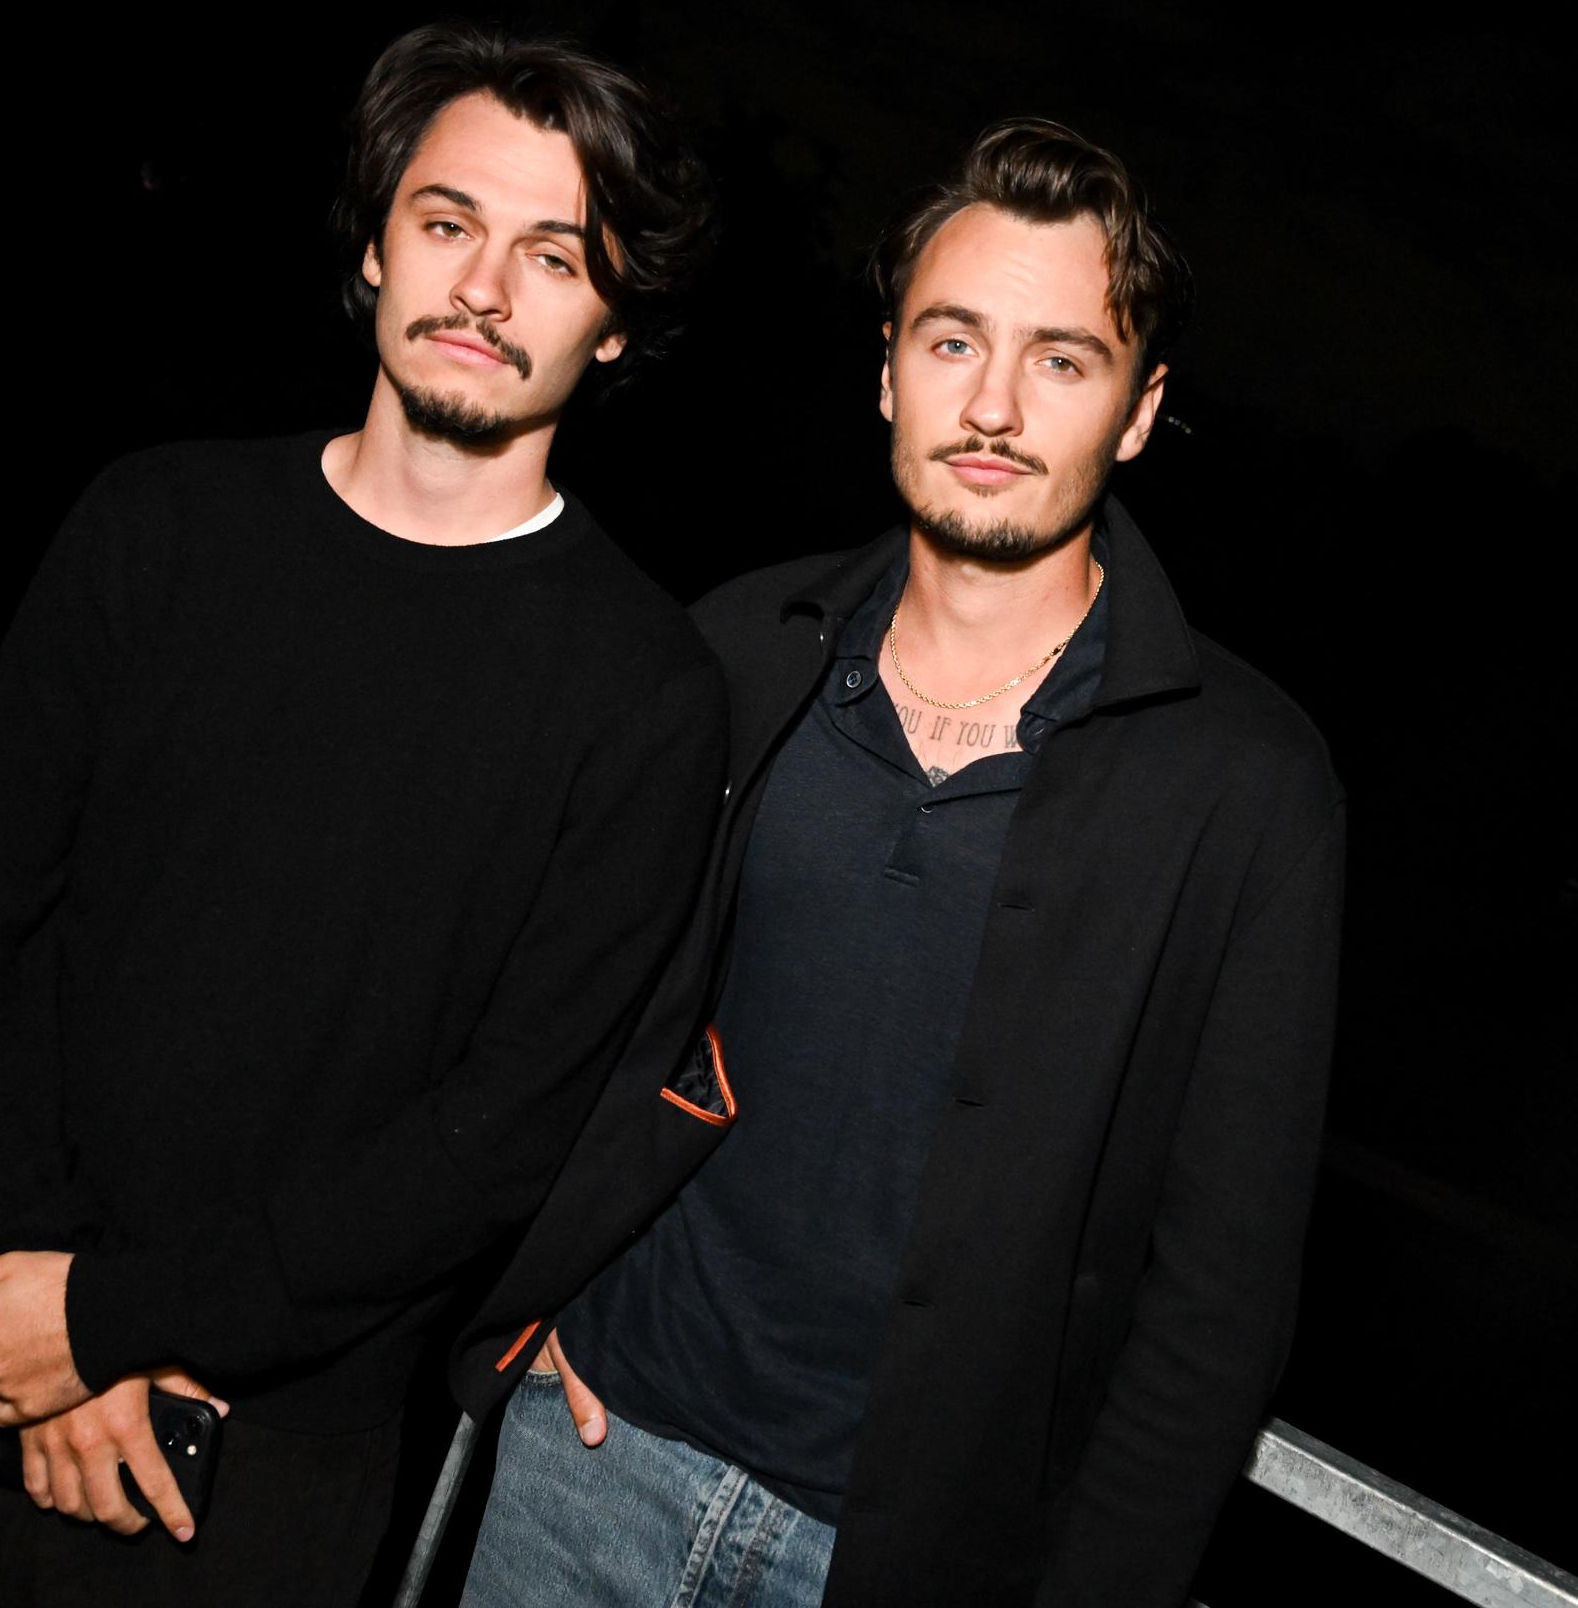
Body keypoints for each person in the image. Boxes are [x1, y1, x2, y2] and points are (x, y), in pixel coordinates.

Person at [0, 24, 724, 1607]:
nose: (486, 291)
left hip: (272, 1455)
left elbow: (496, 1130)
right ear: (375, 247)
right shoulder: (155, 526)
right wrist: (41, 1301)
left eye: (555, 255)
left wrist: (119, 1318)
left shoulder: (647, 693)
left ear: (619, 321)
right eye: (447, 224)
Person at [452, 120, 1346, 1607]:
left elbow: (1219, 1289)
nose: (993, 403)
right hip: (597, 1461)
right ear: (886, 369)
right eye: (952, 341)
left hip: (916, 1561)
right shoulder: (737, 646)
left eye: (1062, 359)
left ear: (1138, 410)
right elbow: (557, 1015)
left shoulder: (1246, 785)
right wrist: (520, 1306)